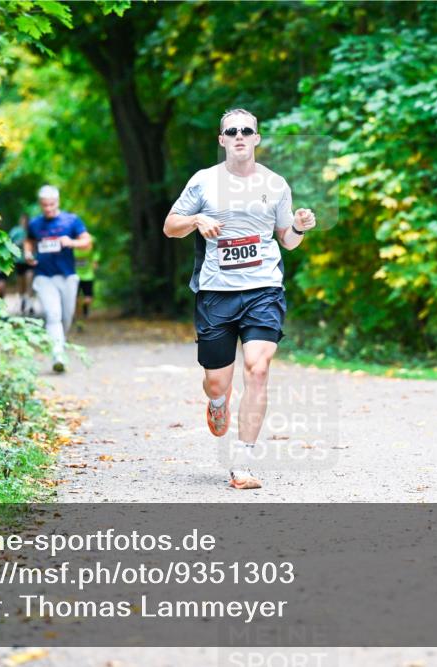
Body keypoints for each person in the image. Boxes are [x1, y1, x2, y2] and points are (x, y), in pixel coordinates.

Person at [163, 108, 317, 490]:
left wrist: (298, 226)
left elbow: (288, 241)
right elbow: (170, 227)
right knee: (218, 382)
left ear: (257, 138)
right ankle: (218, 403)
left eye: (247, 130)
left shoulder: (276, 184)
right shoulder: (204, 182)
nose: (239, 136)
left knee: (258, 369)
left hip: (263, 289)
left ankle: (243, 462)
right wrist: (197, 220)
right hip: (216, 293)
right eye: (231, 131)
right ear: (221, 140)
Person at [23, 185, 92, 372]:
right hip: (44, 276)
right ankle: (57, 355)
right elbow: (28, 241)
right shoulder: (35, 224)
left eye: (51, 204)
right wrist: (28, 254)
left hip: (67, 276)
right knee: (53, 315)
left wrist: (71, 242)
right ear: (40, 204)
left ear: (58, 202)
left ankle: (59, 342)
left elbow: (87, 242)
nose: (48, 208)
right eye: (44, 205)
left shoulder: (71, 220)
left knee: (66, 317)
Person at [9, 213, 35, 315]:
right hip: (19, 260)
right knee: (21, 282)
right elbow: (9, 242)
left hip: (31, 260)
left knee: (30, 279)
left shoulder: (32, 230)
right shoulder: (16, 231)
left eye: (26, 220)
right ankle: (22, 300)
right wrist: (20, 242)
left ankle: (30, 303)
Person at [73, 233, 100, 328]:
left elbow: (96, 251)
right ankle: (78, 319)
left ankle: (84, 308)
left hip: (88, 275)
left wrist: (95, 261)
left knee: (88, 299)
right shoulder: (70, 240)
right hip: (75, 275)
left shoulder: (92, 239)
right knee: (75, 299)